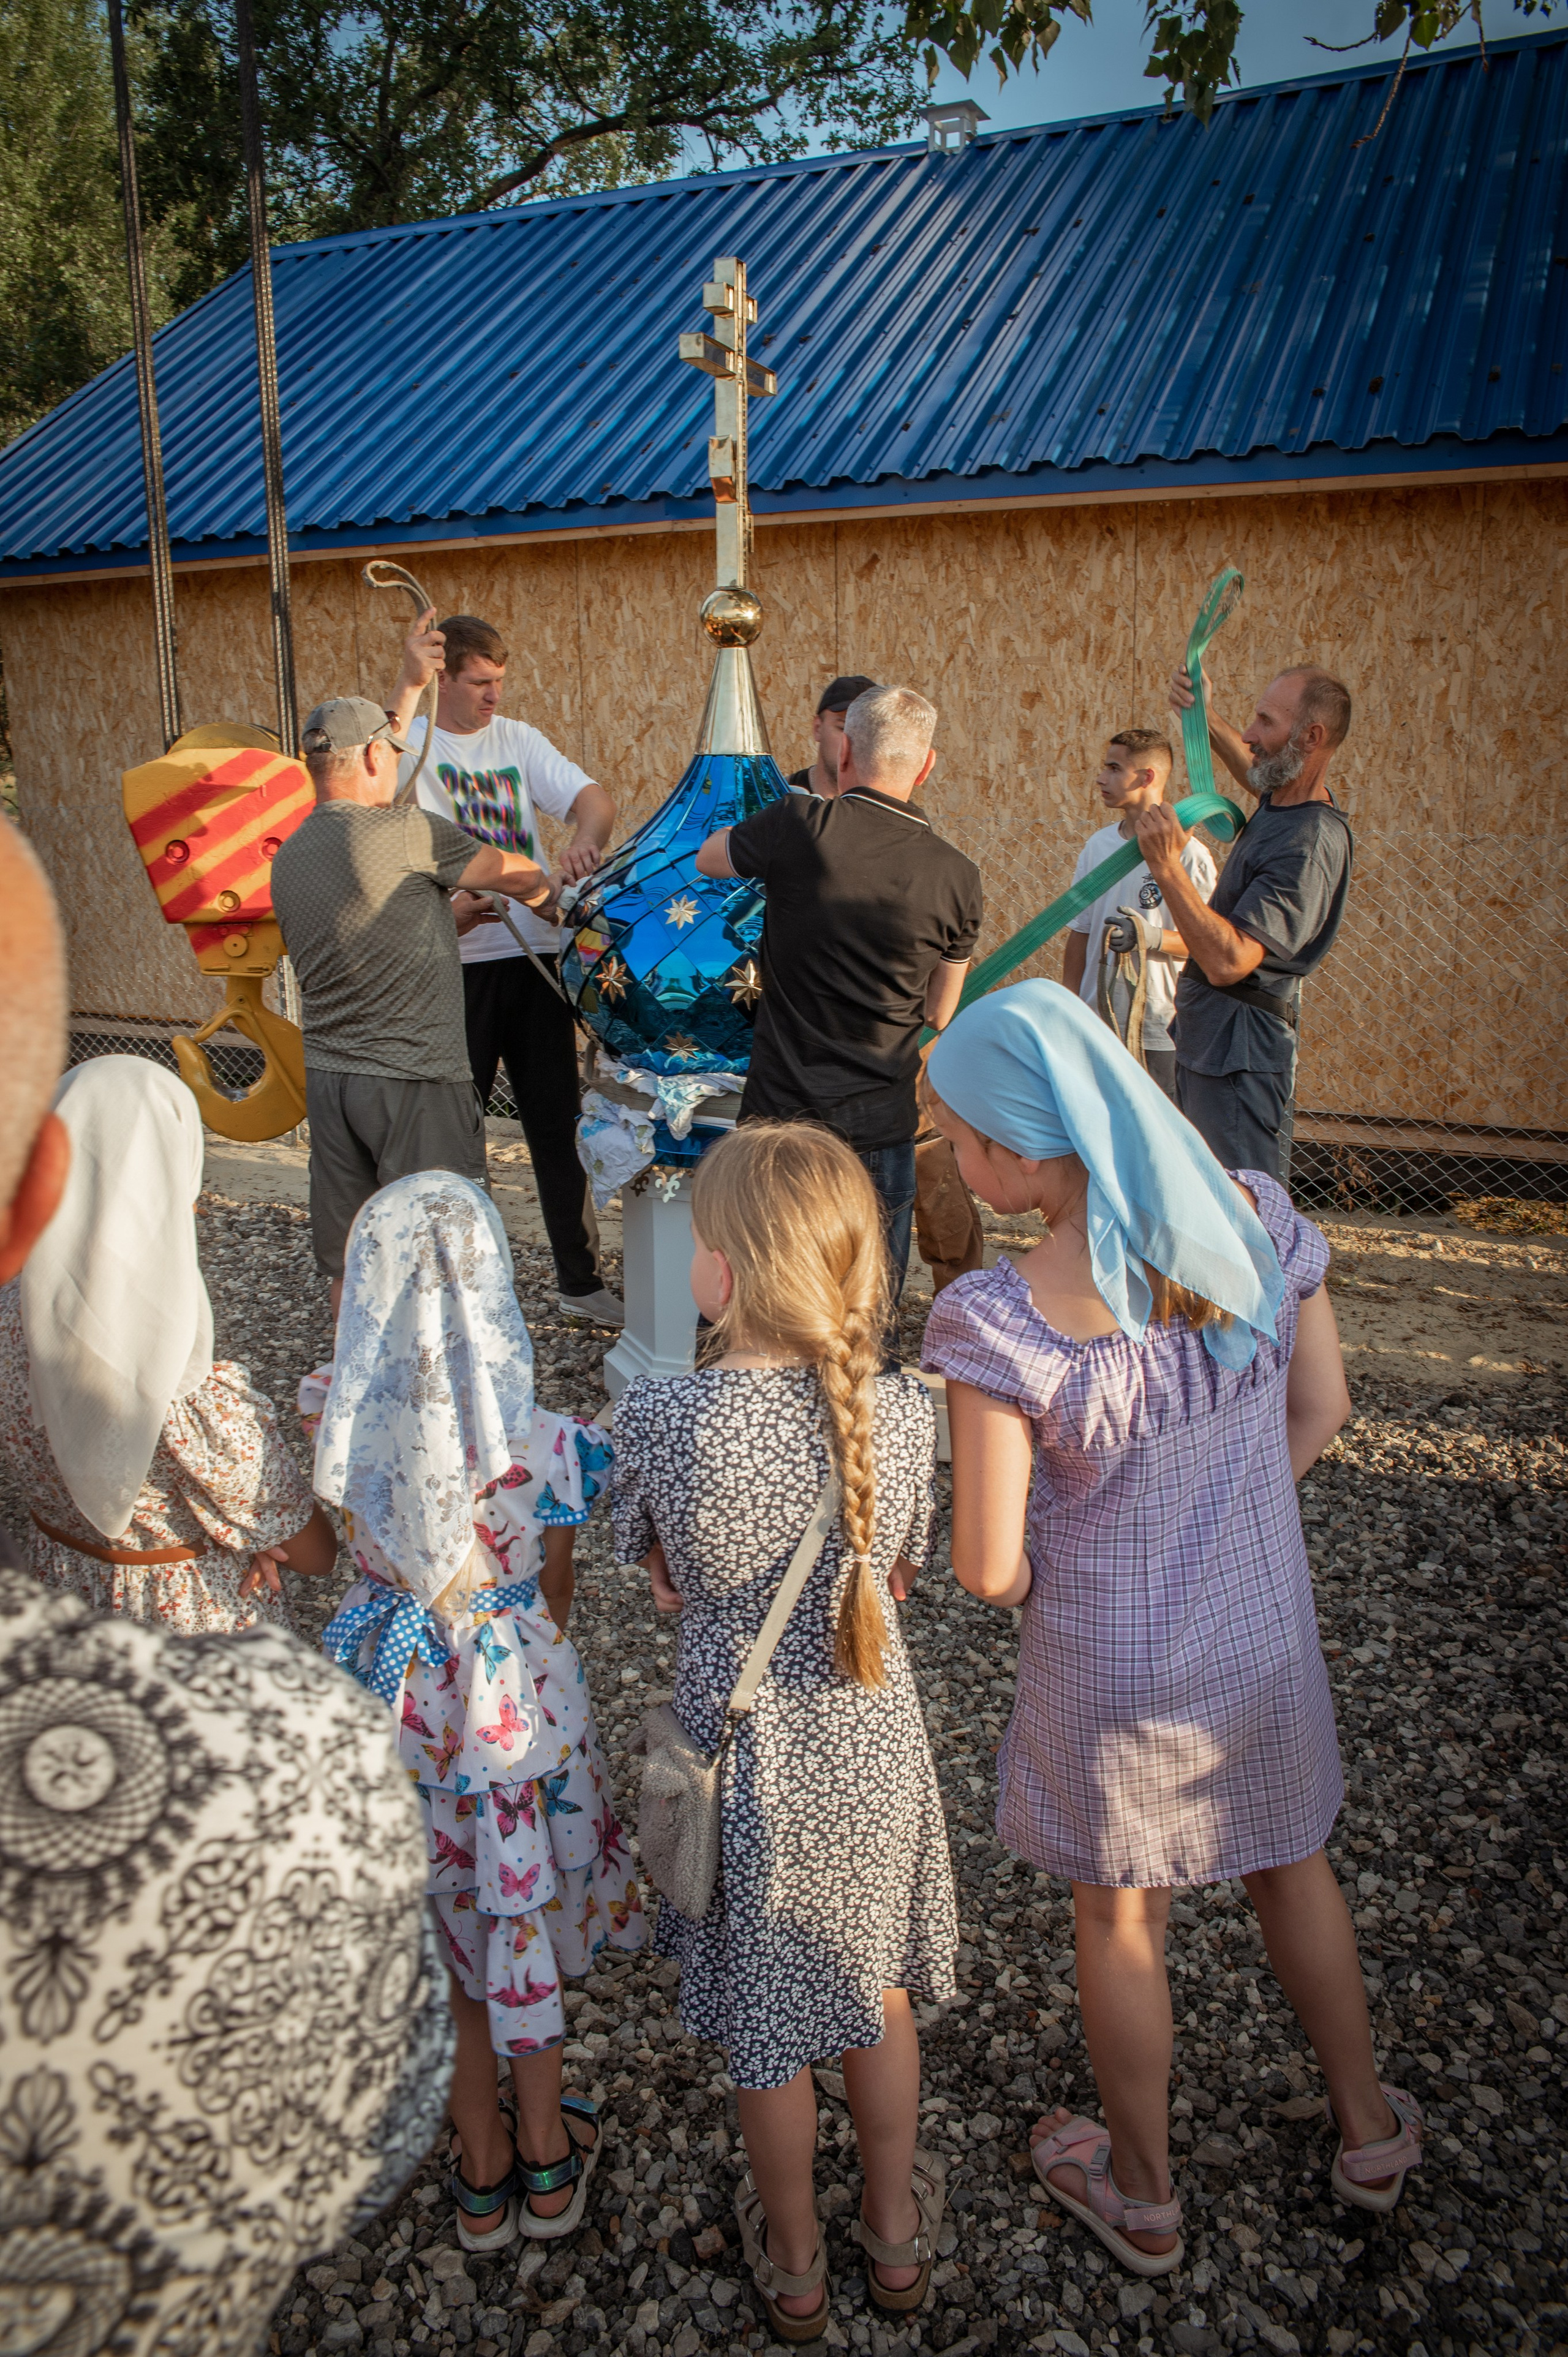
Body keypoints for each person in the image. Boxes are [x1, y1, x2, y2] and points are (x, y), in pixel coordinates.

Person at [0, 820, 455, 2355]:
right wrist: (279, 1523)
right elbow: (308, 1535)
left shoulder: (7, 1333)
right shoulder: (193, 1372)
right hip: (187, 1653)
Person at [920, 982, 1422, 2279]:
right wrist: (1226, 1523)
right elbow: (1321, 1409)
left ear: (1027, 1155)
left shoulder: (999, 1319)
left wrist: (1074, 1576)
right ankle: (1366, 2128)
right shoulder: (1252, 1216)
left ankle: (1141, 2190)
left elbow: (985, 1565)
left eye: (964, 1138)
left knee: (1121, 1922)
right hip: (1259, 1640)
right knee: (1289, 1860)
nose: (956, 1161)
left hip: (1114, 1676)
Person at [612, 1122, 957, 2340]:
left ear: (719, 1270)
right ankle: (895, 2236)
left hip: (743, 1756)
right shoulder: (906, 1413)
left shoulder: (666, 1416)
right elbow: (897, 1568)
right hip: (870, 1752)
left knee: (766, 2022)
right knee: (873, 1994)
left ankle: (798, 2259)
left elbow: (655, 1573)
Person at [311, 1170, 643, 2250]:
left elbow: (333, 1552)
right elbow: (556, 1588)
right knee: (519, 1926)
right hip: (516, 1719)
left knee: (450, 1948)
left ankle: (480, 2160)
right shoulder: (547, 1440)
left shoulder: (340, 1420)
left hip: (407, 1717)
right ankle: (547, 2156)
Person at [1, 1056, 337, 1632]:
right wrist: (243, 1534)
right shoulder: (184, 1382)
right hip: (182, 1630)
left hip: (54, 1593)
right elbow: (314, 1554)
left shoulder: (11, 1311)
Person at [271, 693, 554, 1319]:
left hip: (333, 1079)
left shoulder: (290, 856)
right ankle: (449, 1406)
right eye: (393, 754)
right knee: (446, 1257)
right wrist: (566, 909)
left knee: (352, 1259)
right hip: (416, 1078)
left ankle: (357, 1399)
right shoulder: (405, 829)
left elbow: (357, 946)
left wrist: (438, 921)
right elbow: (508, 872)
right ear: (374, 753)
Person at [695, 686, 982, 1300]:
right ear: (927, 764)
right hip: (879, 1121)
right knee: (865, 1302)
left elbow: (710, 858)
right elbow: (940, 1009)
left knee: (757, 1295)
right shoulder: (958, 875)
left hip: (779, 1115)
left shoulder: (798, 825)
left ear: (844, 748)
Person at [390, 611, 624, 1327]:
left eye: (499, 682)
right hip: (451, 965)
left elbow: (593, 800)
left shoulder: (516, 739)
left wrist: (584, 841)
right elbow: (372, 799)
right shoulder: (412, 745)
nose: (493, 696)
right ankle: (465, 1289)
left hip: (531, 959)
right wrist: (406, 682)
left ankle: (578, 1281)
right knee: (456, 1135)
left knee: (557, 1124)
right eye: (479, 683)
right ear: (445, 678)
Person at [1150, 663, 1355, 1185]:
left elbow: (1229, 961)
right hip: (1212, 1043)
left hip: (1237, 1057)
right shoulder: (1283, 802)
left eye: (1265, 721)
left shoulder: (1306, 843)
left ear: (1311, 738)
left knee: (1243, 1216)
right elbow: (1256, 772)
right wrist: (1204, 718)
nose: (1249, 734)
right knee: (1208, 1207)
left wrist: (1167, 867)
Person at [1061, 729, 1216, 1104]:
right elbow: (1080, 934)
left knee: (1155, 1124)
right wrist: (1069, 1008)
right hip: (1097, 1020)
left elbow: (1209, 946)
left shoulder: (1190, 855)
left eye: (1115, 768)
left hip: (1159, 1025)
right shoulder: (1099, 846)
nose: (1101, 778)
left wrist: (1154, 937)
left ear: (1147, 777)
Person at [784, 674, 880, 796]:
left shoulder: (887, 809)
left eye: (868, 731)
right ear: (818, 728)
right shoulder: (780, 798)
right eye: (844, 728)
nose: (856, 741)